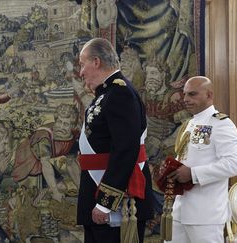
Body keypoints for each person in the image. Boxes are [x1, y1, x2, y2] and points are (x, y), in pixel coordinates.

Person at [76, 38, 153, 243]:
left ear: (96, 61)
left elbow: (125, 149)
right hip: (97, 190)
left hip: (115, 203)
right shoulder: (108, 92)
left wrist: (105, 203)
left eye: (82, 64)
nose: (81, 72)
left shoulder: (120, 93)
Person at [165, 76, 237, 243]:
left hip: (205, 216)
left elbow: (234, 164)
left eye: (192, 94)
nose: (186, 99)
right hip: (180, 210)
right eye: (185, 94)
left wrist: (193, 174)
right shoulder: (189, 124)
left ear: (209, 95)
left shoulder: (221, 123)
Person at [12, 104, 81, 202]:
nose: (61, 127)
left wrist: (80, 187)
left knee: (62, 187)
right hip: (29, 160)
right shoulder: (44, 136)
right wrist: (55, 192)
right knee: (35, 193)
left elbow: (71, 163)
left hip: (42, 160)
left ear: (72, 126)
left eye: (66, 124)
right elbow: (45, 163)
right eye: (59, 122)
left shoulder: (73, 136)